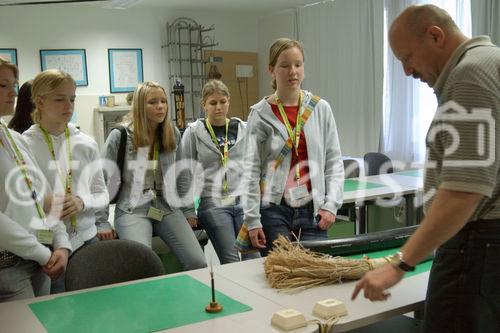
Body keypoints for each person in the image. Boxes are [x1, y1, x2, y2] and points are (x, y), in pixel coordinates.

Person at [351, 5, 500, 332]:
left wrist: (400, 264)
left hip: (476, 248)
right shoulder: (492, 61)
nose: (406, 71)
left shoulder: (470, 74)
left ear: (435, 35)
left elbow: (464, 191)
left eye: (406, 57)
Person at [239, 38, 344, 256]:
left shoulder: (320, 108)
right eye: (285, 66)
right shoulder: (260, 114)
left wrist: (331, 205)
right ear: (271, 70)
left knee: (316, 274)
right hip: (273, 209)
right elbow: (249, 172)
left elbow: (334, 162)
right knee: (284, 275)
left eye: (298, 64)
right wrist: (252, 220)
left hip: (313, 208)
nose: (292, 72)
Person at [97, 81, 207, 271]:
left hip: (166, 206)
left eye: (163, 101)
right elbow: (103, 181)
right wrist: (101, 222)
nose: (160, 106)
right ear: (140, 106)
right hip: (133, 208)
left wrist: (189, 210)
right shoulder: (120, 135)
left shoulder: (171, 132)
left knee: (198, 262)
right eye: (153, 102)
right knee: (144, 267)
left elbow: (182, 175)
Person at [23, 69, 115, 293]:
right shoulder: (26, 143)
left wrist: (81, 202)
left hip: (87, 238)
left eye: (72, 98)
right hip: (48, 245)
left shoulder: (86, 142)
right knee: (58, 312)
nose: (69, 105)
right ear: (40, 102)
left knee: (92, 304)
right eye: (60, 99)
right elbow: (28, 199)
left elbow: (102, 194)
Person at [0, 58, 71, 302]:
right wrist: (43, 253)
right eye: (3, 85)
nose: (13, 93)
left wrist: (61, 244)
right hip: (8, 267)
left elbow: (42, 197)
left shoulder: (15, 139)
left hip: (41, 260)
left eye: (14, 85)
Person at [178, 80, 260, 264]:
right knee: (230, 260)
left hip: (243, 201)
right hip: (212, 202)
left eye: (222, 102)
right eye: (213, 103)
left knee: (253, 257)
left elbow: (253, 166)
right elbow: (185, 173)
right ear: (204, 105)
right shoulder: (194, 132)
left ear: (228, 102)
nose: (218, 107)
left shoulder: (243, 129)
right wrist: (189, 210)